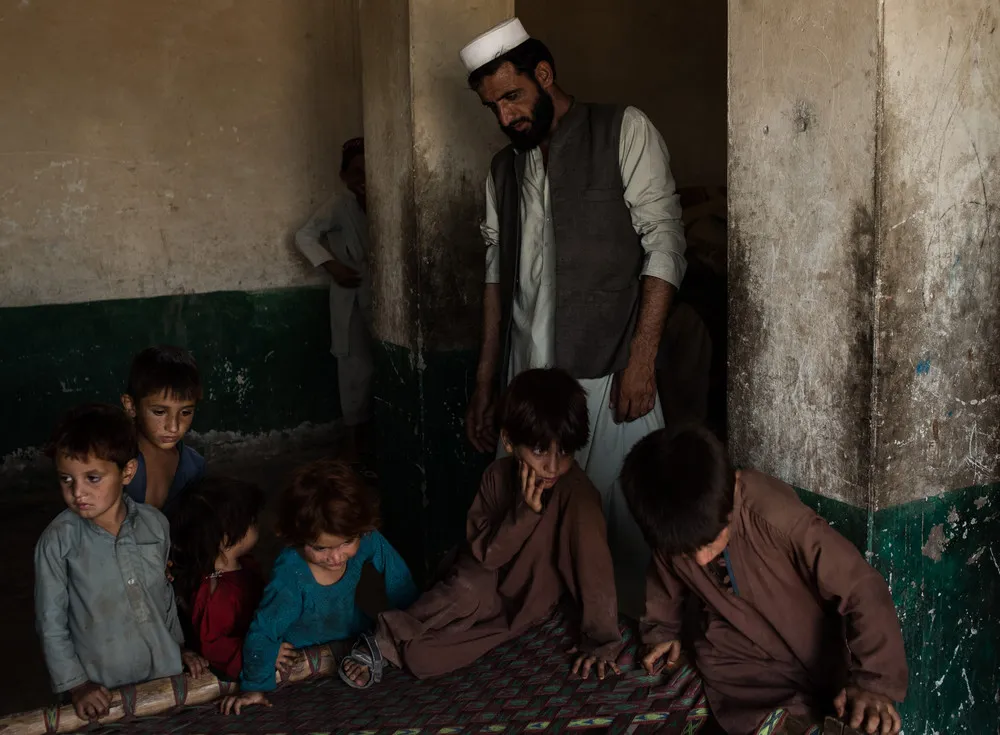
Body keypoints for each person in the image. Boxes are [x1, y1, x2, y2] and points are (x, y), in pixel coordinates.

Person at [459, 18, 688, 614]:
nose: (506, 117)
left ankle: (645, 635)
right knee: (530, 514)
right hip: (526, 379)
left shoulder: (623, 130)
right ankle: (550, 626)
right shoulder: (502, 171)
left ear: (544, 75)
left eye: (513, 96)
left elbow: (664, 243)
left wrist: (642, 358)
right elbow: (495, 278)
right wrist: (486, 382)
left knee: (629, 516)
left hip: (610, 367)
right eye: (494, 107)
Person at [339, 368, 622, 688]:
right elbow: (485, 557)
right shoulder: (497, 476)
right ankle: (382, 639)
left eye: (565, 451)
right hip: (476, 585)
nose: (553, 466)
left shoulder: (578, 496)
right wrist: (525, 514)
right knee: (468, 587)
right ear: (509, 442)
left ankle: (397, 643)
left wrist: (603, 642)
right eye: (541, 451)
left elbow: (594, 571)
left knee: (421, 658)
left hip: (523, 606)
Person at [620, 427, 908, 734]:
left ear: (731, 491)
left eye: (712, 540)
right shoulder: (670, 535)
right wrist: (662, 630)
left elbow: (861, 588)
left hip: (812, 657)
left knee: (842, 715)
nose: (702, 560)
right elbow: (663, 572)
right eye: (687, 552)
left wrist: (874, 683)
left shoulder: (773, 514)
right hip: (737, 668)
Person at [34, 404, 208, 722]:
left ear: (127, 472)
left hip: (162, 674)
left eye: (93, 478)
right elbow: (51, 622)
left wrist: (179, 647)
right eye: (66, 479)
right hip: (101, 691)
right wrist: (76, 685)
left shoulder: (155, 525)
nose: (78, 492)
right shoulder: (57, 541)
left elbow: (163, 594)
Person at [220, 459, 417, 714]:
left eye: (346, 543)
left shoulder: (363, 537)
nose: (335, 557)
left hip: (351, 632)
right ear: (298, 539)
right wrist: (254, 688)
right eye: (321, 548)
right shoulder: (290, 575)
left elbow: (398, 578)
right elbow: (265, 629)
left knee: (380, 640)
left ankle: (368, 654)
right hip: (300, 647)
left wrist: (413, 620)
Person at [294, 137, 374, 469]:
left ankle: (377, 444)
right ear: (344, 175)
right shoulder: (339, 204)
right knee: (354, 370)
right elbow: (304, 235)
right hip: (351, 297)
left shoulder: (384, 202)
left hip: (383, 298)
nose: (363, 179)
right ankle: (352, 446)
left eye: (368, 171)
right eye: (356, 172)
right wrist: (333, 266)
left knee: (380, 371)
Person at [167, 477, 266, 681]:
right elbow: (213, 646)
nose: (258, 525)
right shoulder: (216, 592)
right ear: (228, 536)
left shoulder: (245, 565)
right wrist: (263, 654)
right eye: (252, 521)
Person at [121, 345, 205, 513]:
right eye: (159, 412)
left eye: (186, 412)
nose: (173, 427)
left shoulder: (193, 467)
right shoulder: (113, 463)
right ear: (131, 406)